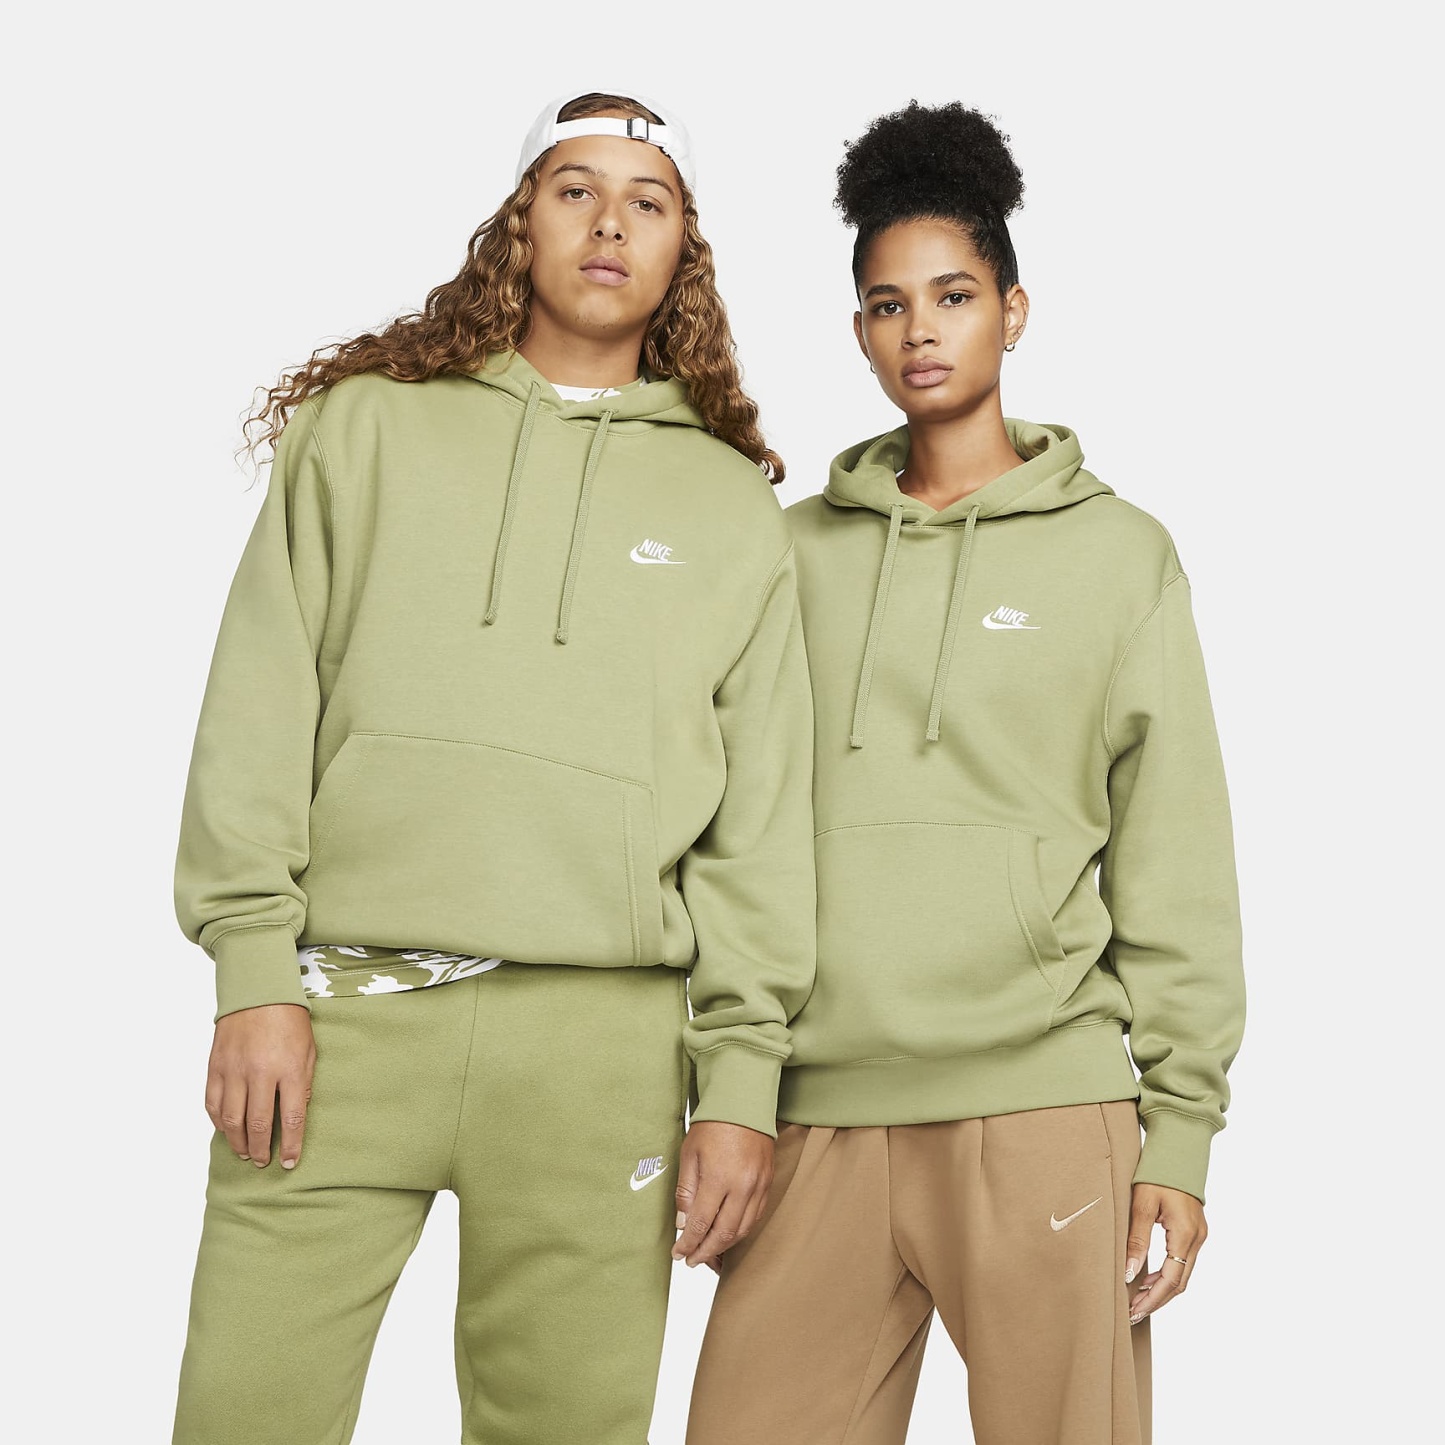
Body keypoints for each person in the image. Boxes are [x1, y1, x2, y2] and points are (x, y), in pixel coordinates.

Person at [170, 89, 815, 1445]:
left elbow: (758, 827)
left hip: (600, 1052)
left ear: (683, 250)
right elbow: (260, 708)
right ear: (519, 221)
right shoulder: (363, 429)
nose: (609, 223)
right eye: (577, 188)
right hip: (339, 1021)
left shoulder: (727, 505)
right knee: (245, 1416)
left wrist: (741, 1085)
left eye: (647, 201)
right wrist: (252, 973)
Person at [687, 101, 1245, 1445]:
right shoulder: (788, 554)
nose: (920, 331)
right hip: (817, 1110)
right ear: (859, 330)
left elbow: (1173, 860)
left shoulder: (1118, 557)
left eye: (952, 296)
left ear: (1013, 310)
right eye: (888, 305)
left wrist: (1178, 1135)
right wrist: (730, 1090)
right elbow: (730, 832)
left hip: (1043, 1104)